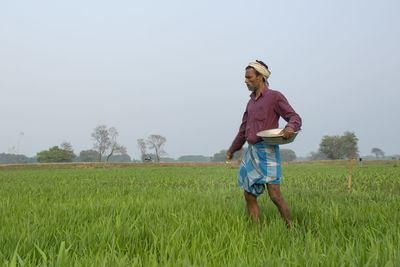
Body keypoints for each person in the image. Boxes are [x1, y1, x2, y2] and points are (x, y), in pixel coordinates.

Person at [226, 60, 302, 227]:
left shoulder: (274, 97)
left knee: (274, 194)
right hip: (252, 152)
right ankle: (257, 232)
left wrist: (290, 127)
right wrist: (232, 149)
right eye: (245, 77)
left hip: (267, 150)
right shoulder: (250, 102)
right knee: (249, 195)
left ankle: (291, 229)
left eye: (249, 77)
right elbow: (243, 130)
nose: (245, 80)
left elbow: (295, 117)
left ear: (260, 77)